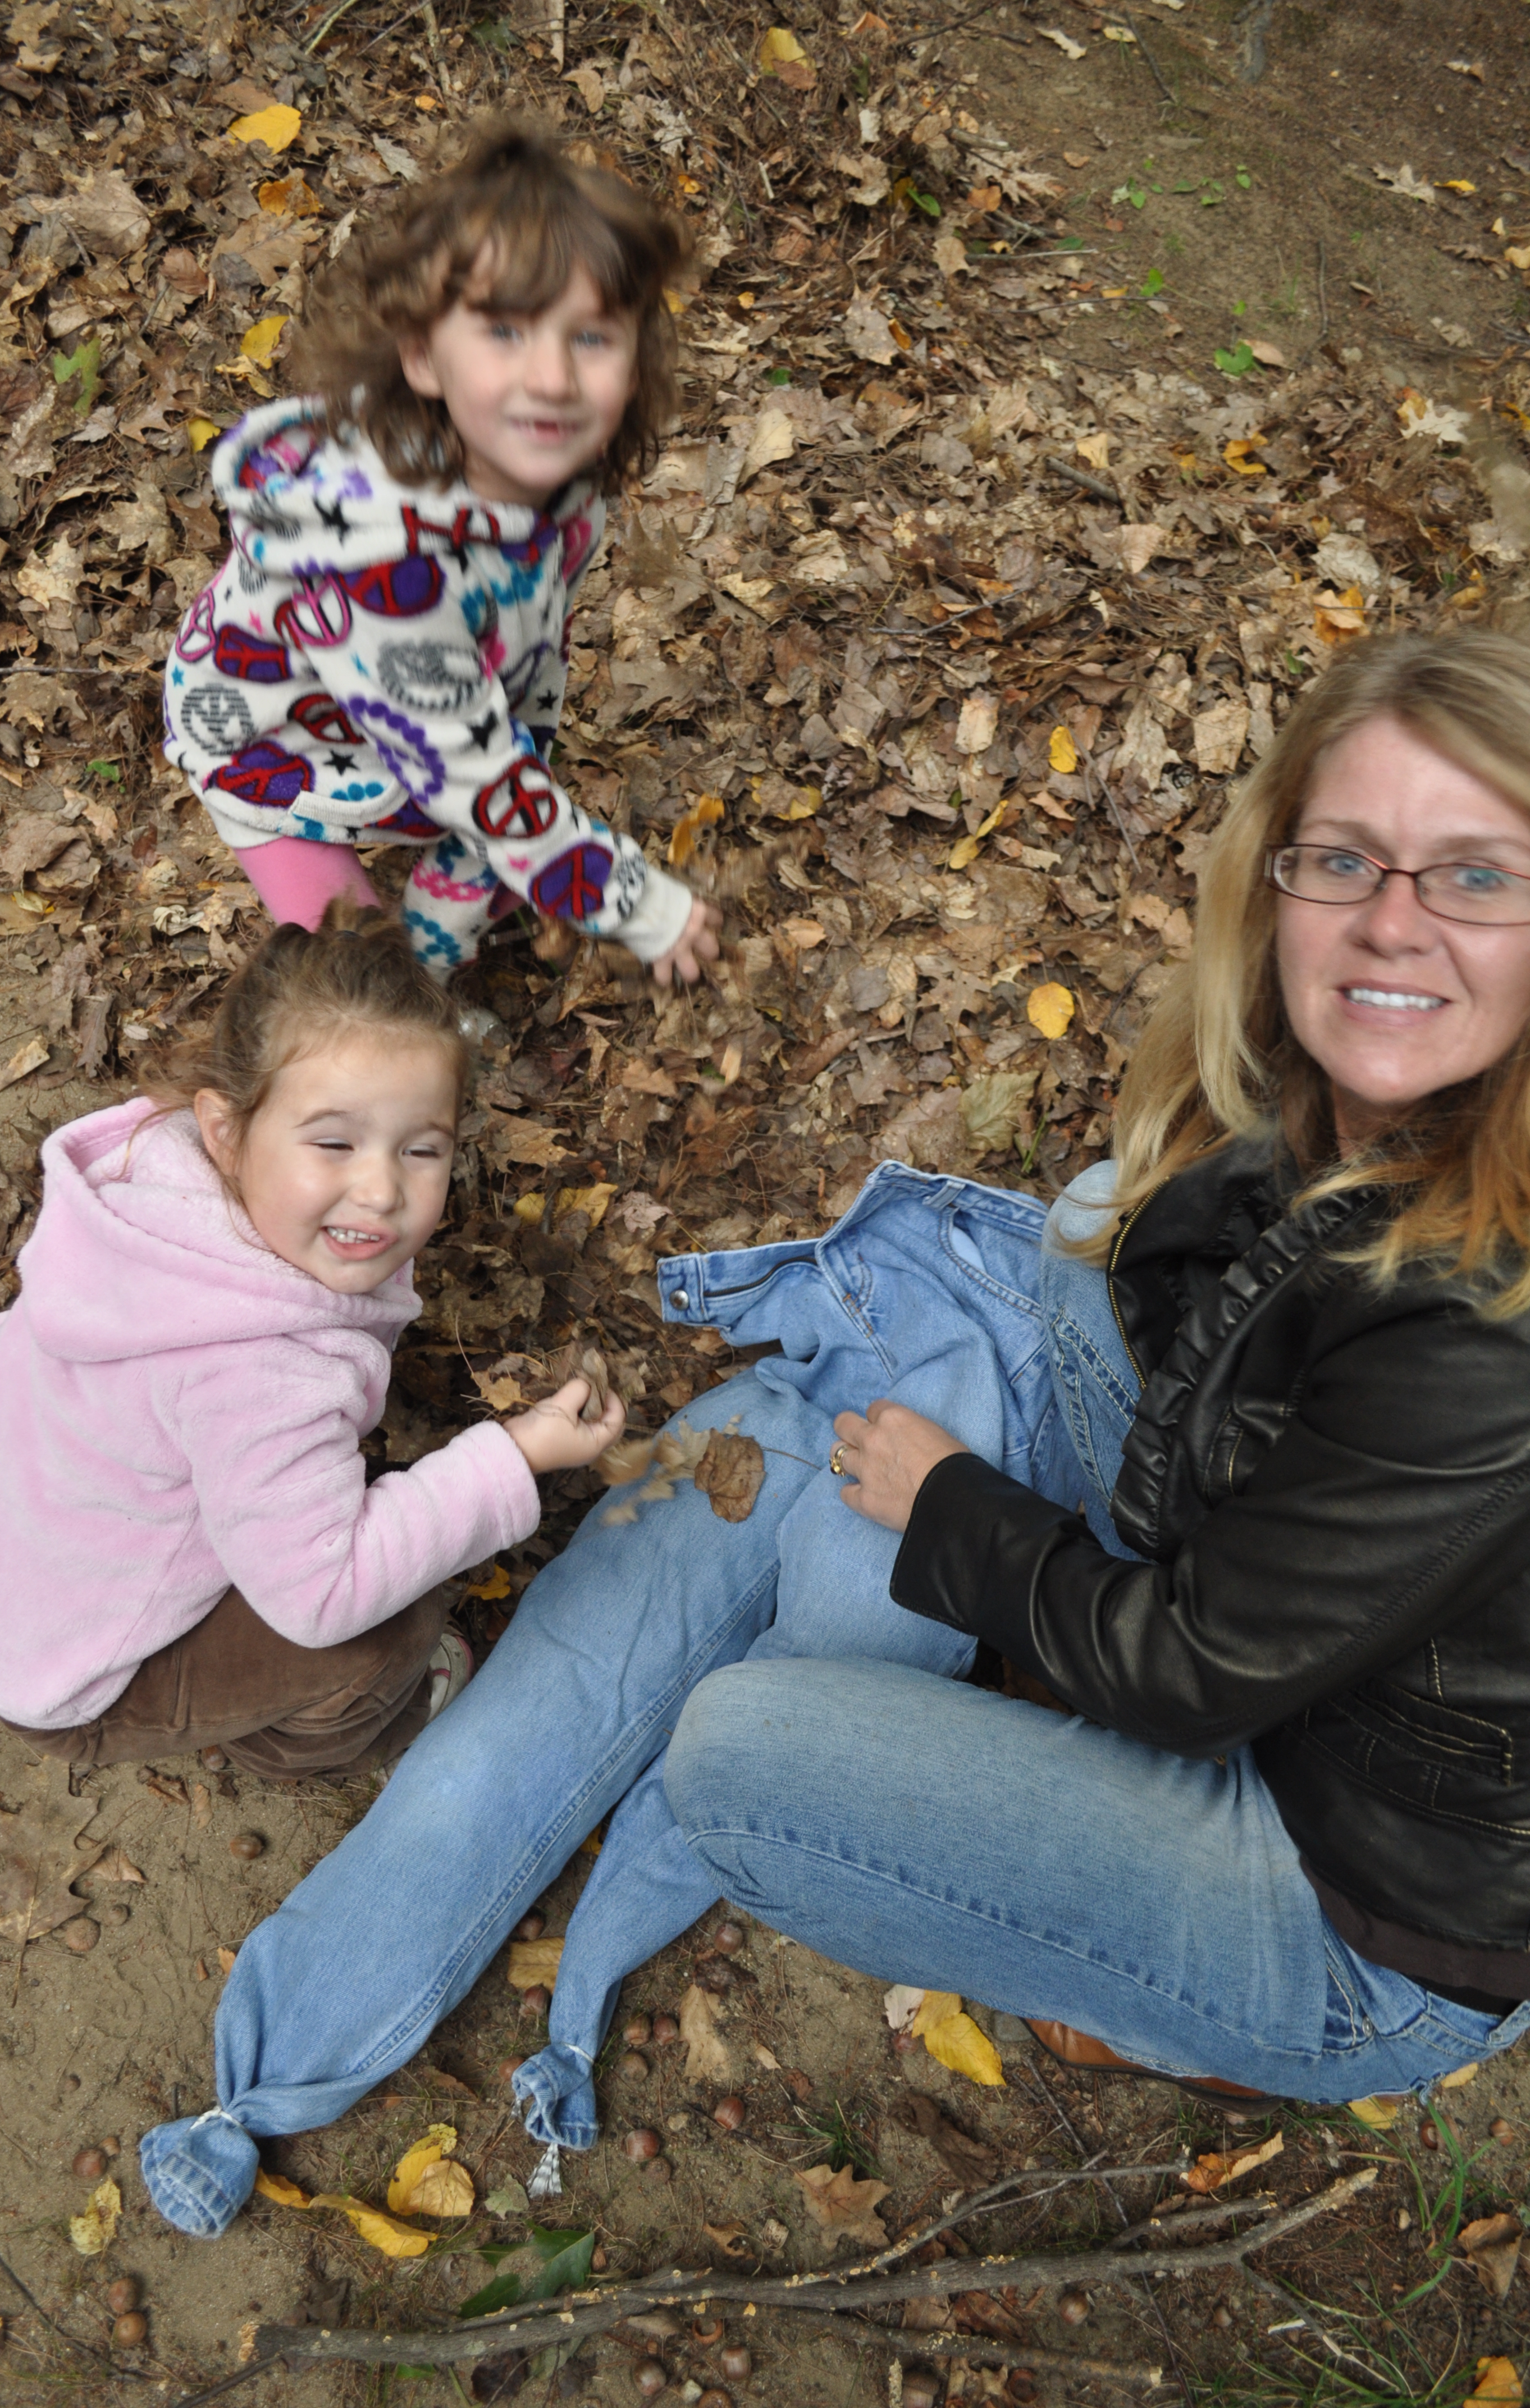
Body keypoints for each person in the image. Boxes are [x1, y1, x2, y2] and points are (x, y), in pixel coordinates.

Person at [140, 630, 1530, 2238]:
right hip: (1276, 1594)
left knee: (743, 1753)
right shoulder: (1343, 1085)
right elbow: (1192, 1320)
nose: (1391, 922)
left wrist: (957, 1512)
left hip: (1351, 1903)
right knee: (923, 1341)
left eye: (1477, 875)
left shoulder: (1487, 1333)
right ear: (1275, 875)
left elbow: (1192, 1668)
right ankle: (290, 2051)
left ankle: (1187, 2009)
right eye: (1347, 857)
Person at [0, 906, 622, 1778]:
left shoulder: (165, 1181)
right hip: (56, 1661)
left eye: (421, 1149)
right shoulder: (261, 1375)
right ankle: (303, 1744)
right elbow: (321, 1597)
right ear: (228, 1130)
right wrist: (513, 1459)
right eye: (333, 1142)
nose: (378, 1189)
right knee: (388, 1629)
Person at [162, 121, 720, 990]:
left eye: (591, 337)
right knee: (357, 987)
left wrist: (517, 768)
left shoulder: (559, 483)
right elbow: (476, 776)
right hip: (277, 756)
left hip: (422, 725)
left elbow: (518, 651)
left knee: (501, 840)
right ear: (423, 354)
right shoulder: (387, 575)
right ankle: (406, 979)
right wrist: (640, 904)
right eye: (505, 332)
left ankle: (437, 931)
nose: (552, 379)